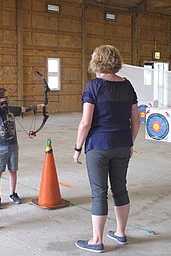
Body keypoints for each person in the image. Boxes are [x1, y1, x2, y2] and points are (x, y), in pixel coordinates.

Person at [73, 45, 140, 253]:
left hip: (98, 146)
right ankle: (120, 233)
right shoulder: (127, 86)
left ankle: (97, 240)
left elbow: (86, 122)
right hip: (122, 144)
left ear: (97, 62)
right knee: (120, 189)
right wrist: (130, 142)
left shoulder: (93, 86)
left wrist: (77, 148)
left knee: (99, 193)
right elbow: (136, 120)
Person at [0, 88, 45, 210]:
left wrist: (39, 106)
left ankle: (13, 193)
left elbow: (24, 109)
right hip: (0, 146)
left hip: (13, 145)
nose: (8, 99)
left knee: (13, 170)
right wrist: (0, 104)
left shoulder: (10, 109)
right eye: (5, 97)